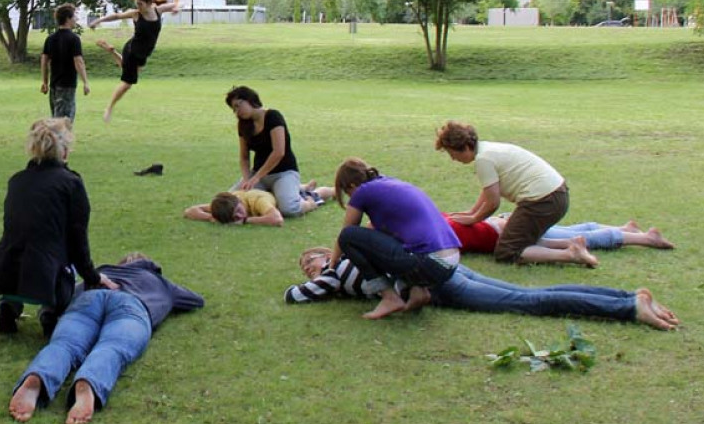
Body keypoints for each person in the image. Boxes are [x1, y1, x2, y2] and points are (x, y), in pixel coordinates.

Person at [8, 253, 204, 424]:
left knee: (64, 344)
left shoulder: (100, 271)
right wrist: (163, 288)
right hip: (132, 307)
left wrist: (47, 314)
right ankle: (89, 383)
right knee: (112, 347)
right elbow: (196, 301)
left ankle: (38, 378)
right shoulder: (157, 281)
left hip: (89, 298)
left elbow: (63, 297)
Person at [285, 247, 680, 331]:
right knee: (528, 294)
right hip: (447, 270)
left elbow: (296, 295)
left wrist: (316, 275)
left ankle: (629, 309)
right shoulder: (353, 261)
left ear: (326, 255)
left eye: (310, 261)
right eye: (306, 266)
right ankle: (628, 298)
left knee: (530, 302)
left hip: (444, 286)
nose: (309, 268)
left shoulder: (335, 271)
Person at [0, 118, 98, 337]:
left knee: (27, 251)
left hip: (5, 272)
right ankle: (49, 311)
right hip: (48, 274)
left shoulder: (16, 181)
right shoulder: (71, 183)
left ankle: (9, 306)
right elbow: (78, 241)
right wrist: (94, 277)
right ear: (64, 152)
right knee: (60, 260)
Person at [330, 157, 462, 320]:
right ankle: (417, 290)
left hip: (429, 262)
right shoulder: (389, 184)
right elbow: (376, 237)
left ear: (351, 186)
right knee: (384, 244)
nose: (349, 197)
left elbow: (348, 232)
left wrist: (332, 262)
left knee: (348, 236)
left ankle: (389, 297)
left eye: (347, 193)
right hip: (451, 260)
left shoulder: (363, 191)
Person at [435, 120, 581, 266]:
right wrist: (471, 212)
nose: (453, 159)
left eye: (452, 153)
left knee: (507, 252)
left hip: (544, 200)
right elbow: (489, 191)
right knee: (516, 237)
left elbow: (493, 203)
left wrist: (474, 219)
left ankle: (570, 254)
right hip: (554, 195)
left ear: (466, 147)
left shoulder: (483, 159)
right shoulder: (486, 150)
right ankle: (569, 243)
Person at [225, 85, 318, 217]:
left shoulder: (273, 116)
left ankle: (310, 201)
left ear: (250, 100)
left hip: (283, 172)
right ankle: (295, 188)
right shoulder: (243, 125)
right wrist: (247, 180)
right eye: (233, 109)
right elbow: (244, 157)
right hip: (258, 175)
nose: (237, 111)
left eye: (238, 105)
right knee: (230, 201)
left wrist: (256, 177)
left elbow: (279, 152)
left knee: (288, 209)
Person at [89, 0, 181, 123]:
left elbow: (179, 3)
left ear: (149, 4)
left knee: (128, 71)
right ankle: (109, 108)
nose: (138, 7)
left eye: (140, 4)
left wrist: (176, 8)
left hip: (144, 53)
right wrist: (98, 20)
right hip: (132, 51)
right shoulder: (136, 14)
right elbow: (117, 16)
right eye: (137, 4)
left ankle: (111, 51)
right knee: (127, 83)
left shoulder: (158, 11)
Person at [446, 213, 674, 256]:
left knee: (574, 238)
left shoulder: (435, 233)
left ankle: (643, 238)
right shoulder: (435, 219)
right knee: (570, 230)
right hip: (501, 224)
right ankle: (625, 230)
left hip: (505, 231)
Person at [183, 184, 333, 226]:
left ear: (240, 202)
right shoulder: (226, 204)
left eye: (239, 211)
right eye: (235, 216)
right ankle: (302, 186)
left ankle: (334, 190)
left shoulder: (257, 200)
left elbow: (277, 219)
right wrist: (212, 217)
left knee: (316, 196)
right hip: (271, 190)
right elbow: (190, 211)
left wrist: (245, 221)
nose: (240, 215)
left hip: (280, 198)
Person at [40, 3, 90, 122]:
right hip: (67, 85)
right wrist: (85, 82)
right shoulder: (74, 39)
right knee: (63, 122)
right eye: (74, 17)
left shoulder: (50, 38)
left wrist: (45, 82)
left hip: (54, 86)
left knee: (56, 118)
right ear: (68, 18)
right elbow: (78, 61)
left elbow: (44, 61)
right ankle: (56, 140)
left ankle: (55, 139)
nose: (76, 19)